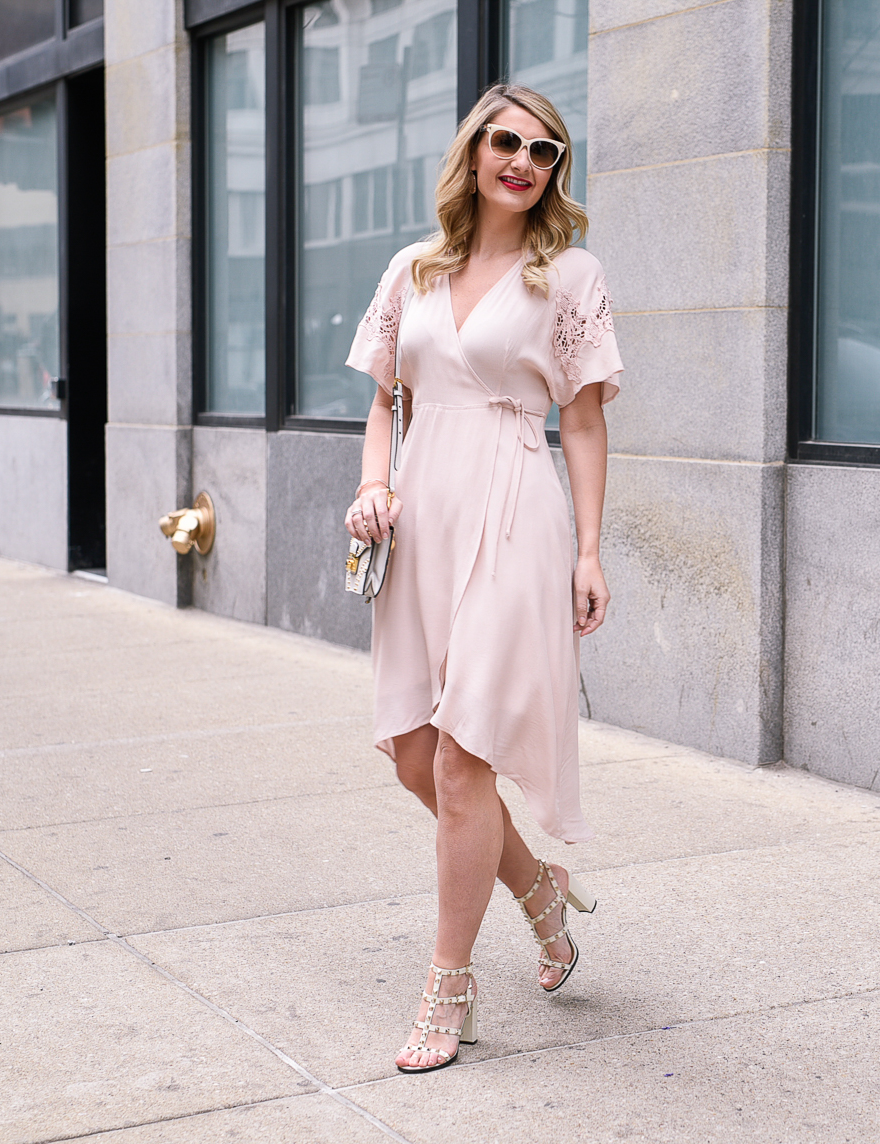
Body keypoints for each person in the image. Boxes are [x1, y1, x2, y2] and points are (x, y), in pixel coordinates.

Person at [344, 82, 623, 1074]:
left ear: (555, 172)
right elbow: (385, 399)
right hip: (424, 510)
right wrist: (375, 482)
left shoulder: (570, 273)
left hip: (516, 506)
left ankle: (448, 986)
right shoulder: (412, 270)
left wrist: (591, 549)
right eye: (506, 141)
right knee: (414, 752)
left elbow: (583, 419)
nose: (523, 160)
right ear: (473, 151)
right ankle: (538, 890)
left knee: (465, 758)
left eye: (545, 151)